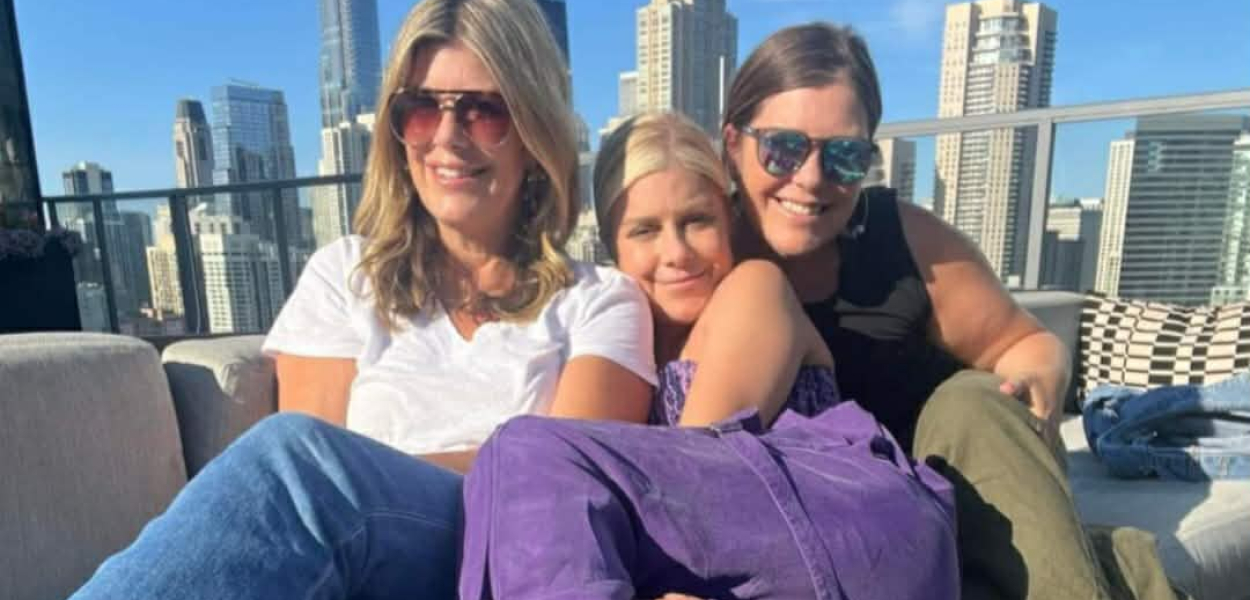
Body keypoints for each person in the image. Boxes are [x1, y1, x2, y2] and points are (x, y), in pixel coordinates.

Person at [69, 1, 656, 598]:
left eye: (484, 112)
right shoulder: (345, 273)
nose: (448, 139)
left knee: (295, 461)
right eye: (421, 110)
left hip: (510, 549)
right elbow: (321, 468)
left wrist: (376, 474)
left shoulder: (600, 299)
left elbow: (568, 478)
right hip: (366, 561)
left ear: (533, 135)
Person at [719, 22, 1176, 600]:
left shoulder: (905, 240)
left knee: (974, 401)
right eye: (782, 148)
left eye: (844, 155)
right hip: (832, 531)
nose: (810, 179)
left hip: (946, 491)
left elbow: (1029, 345)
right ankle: (1118, 567)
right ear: (734, 144)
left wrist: (1031, 386)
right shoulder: (694, 253)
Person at [456, 111, 960, 599]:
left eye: (697, 221)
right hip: (784, 565)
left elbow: (691, 482)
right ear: (612, 244)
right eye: (645, 230)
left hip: (853, 529)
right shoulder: (622, 351)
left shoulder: (753, 290)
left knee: (527, 451)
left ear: (730, 220)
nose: (677, 253)